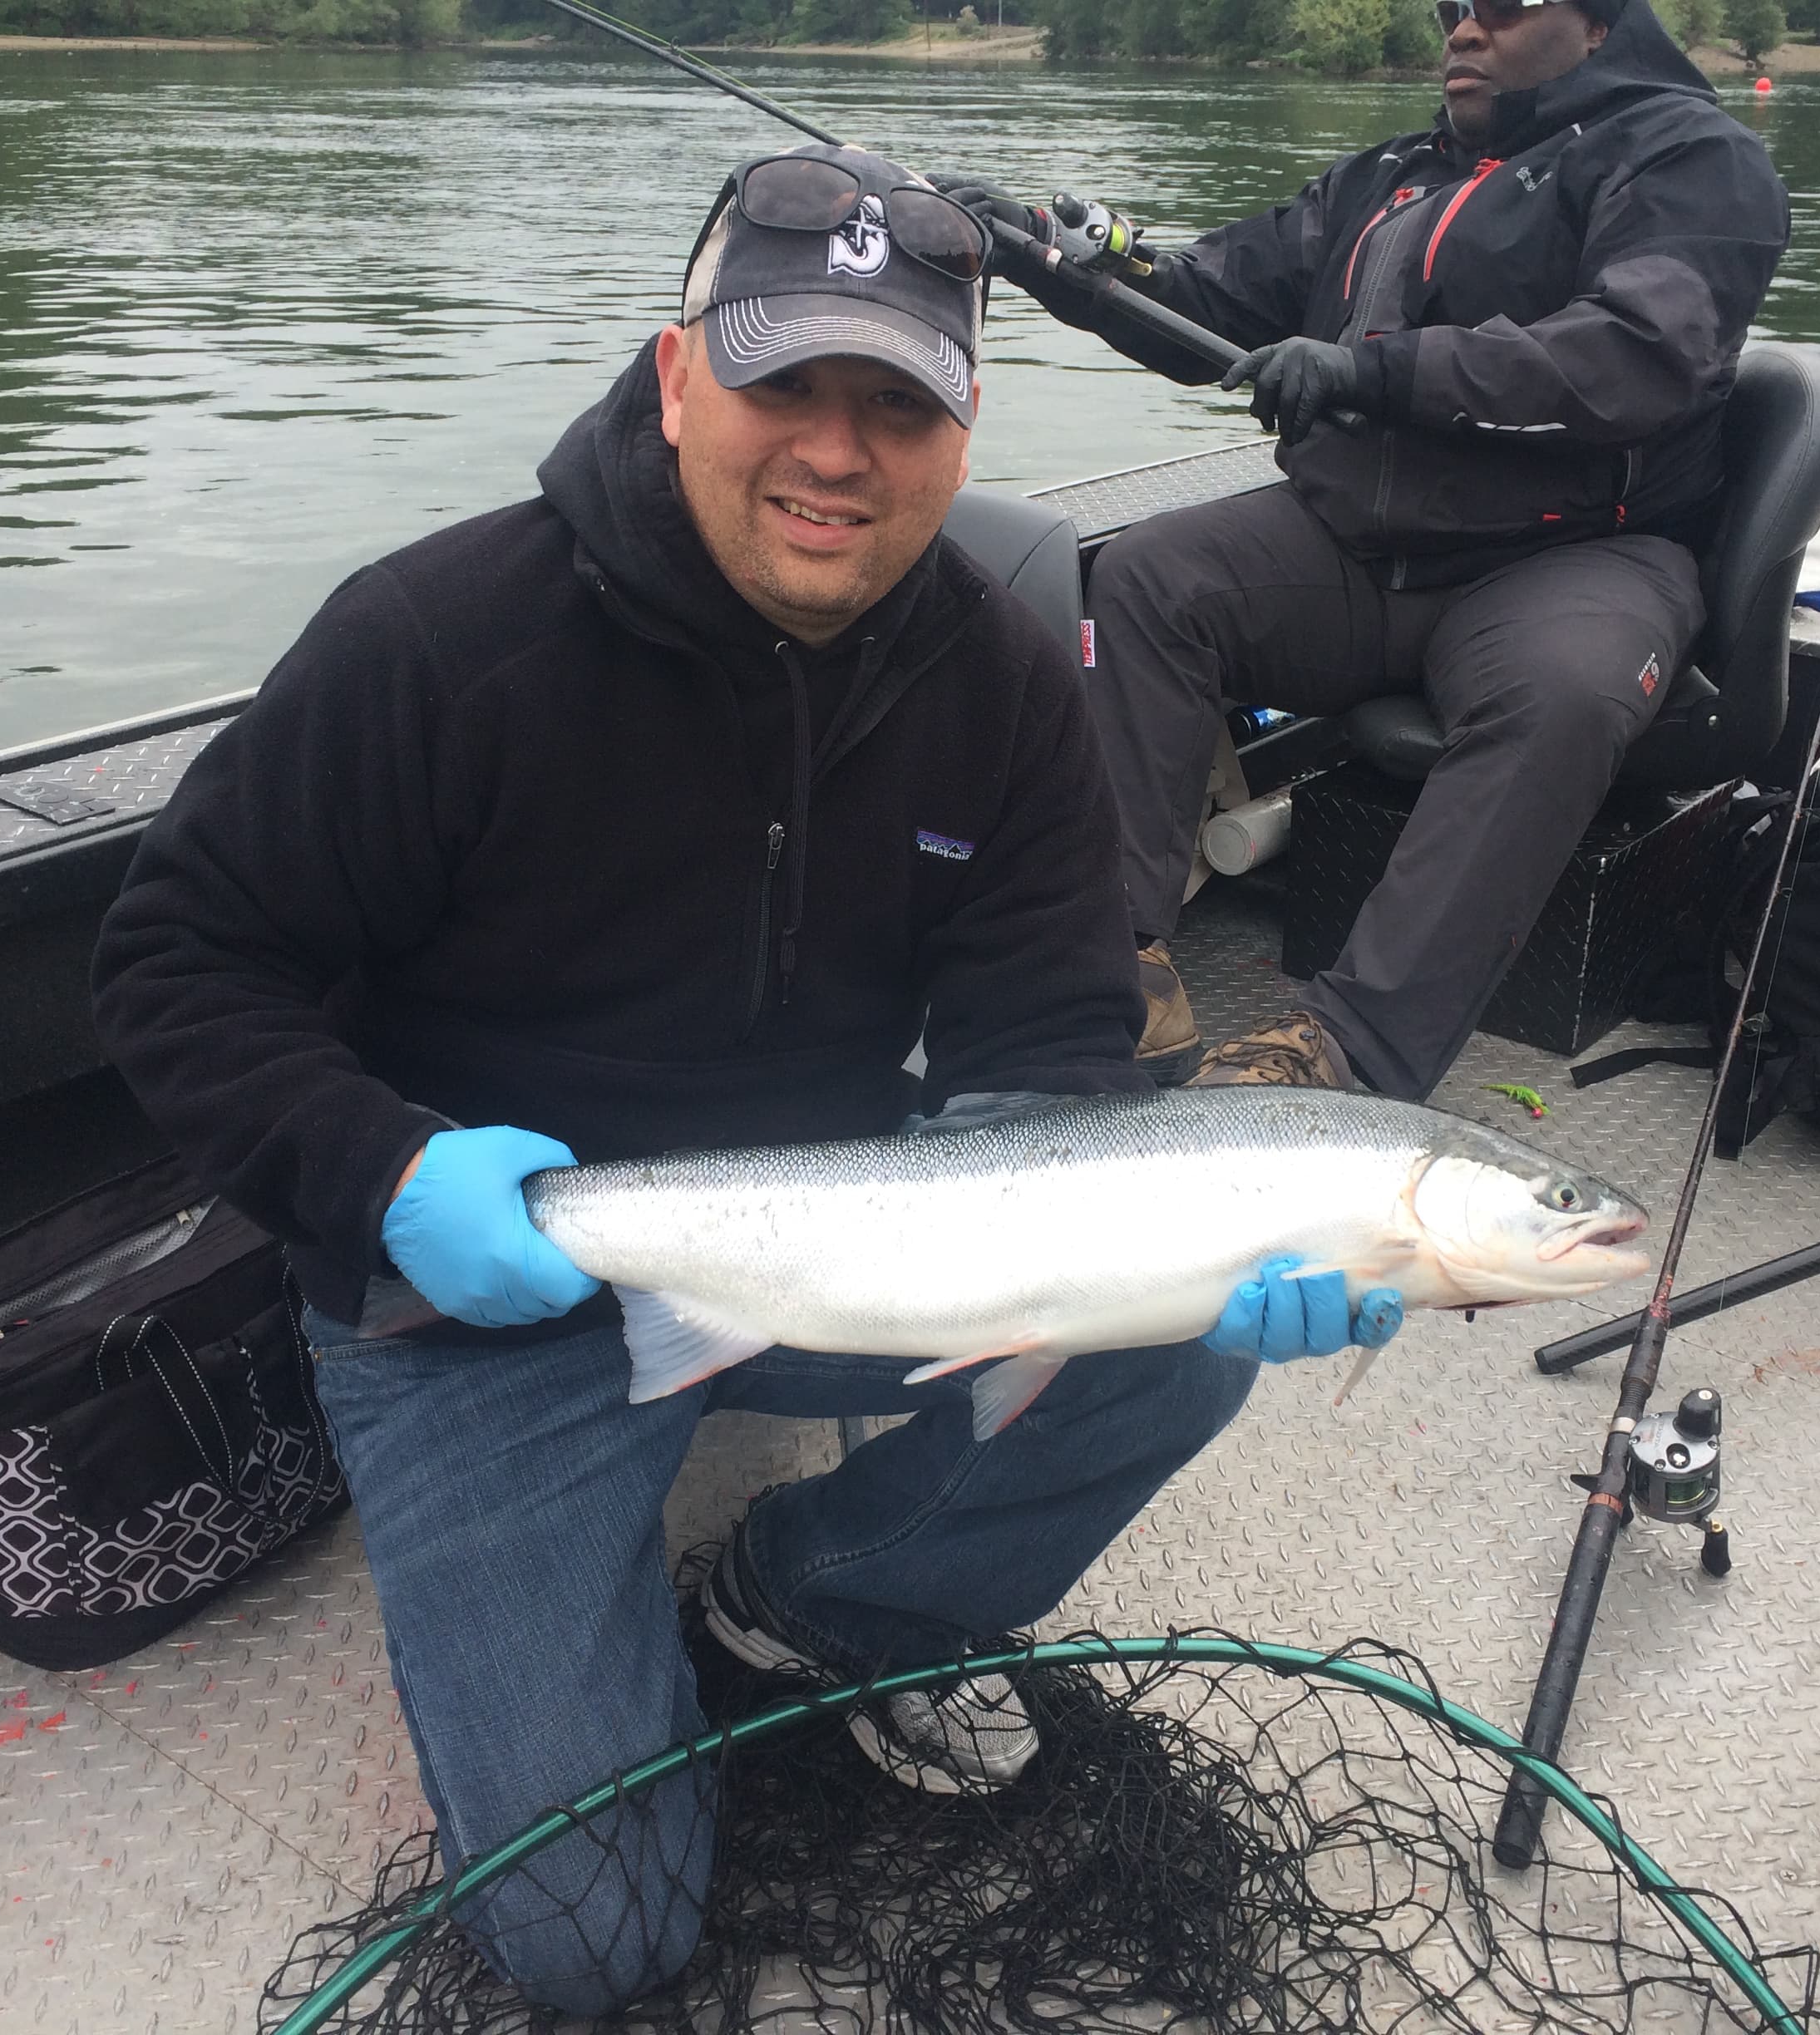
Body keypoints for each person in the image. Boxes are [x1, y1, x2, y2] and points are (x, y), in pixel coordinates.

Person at [89, 145, 1398, 2014]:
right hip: (480, 1293)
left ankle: (803, 1599)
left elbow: (1044, 1057)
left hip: (833, 1247)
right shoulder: (434, 641)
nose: (837, 454)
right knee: (594, 1941)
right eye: (787, 382)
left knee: (1178, 1343)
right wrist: (384, 1177)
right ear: (676, 376)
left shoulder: (1009, 686)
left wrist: (1190, 1251)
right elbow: (177, 963)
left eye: (898, 404)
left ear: (966, 427)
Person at [942, 0, 1788, 1096]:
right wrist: (1052, 260)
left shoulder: (1692, 157)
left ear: (1596, 26)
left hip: (1584, 553)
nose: (1464, 30)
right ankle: (1113, 965)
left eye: (1500, 7)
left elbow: (1633, 355)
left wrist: (1371, 370)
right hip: (1360, 546)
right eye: (1450, 9)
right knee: (1147, 579)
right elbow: (1208, 300)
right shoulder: (1387, 178)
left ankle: (1347, 1052)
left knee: (1564, 694)